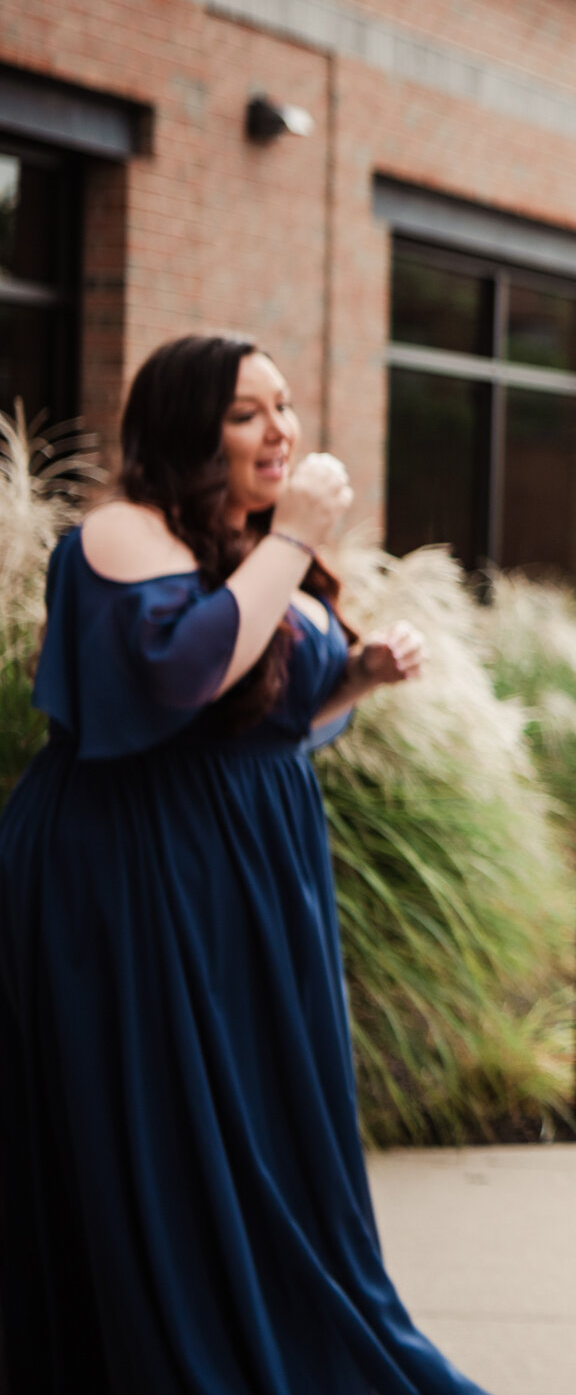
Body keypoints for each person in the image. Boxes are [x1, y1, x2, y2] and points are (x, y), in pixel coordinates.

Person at [0, 334, 472, 1393]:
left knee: (263, 1126)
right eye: (248, 413)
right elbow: (185, 674)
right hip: (134, 876)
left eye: (287, 408)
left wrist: (352, 677)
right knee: (172, 1129)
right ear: (185, 427)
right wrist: (296, 538)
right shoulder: (124, 531)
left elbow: (265, 720)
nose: (281, 432)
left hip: (249, 876)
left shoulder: (244, 546)